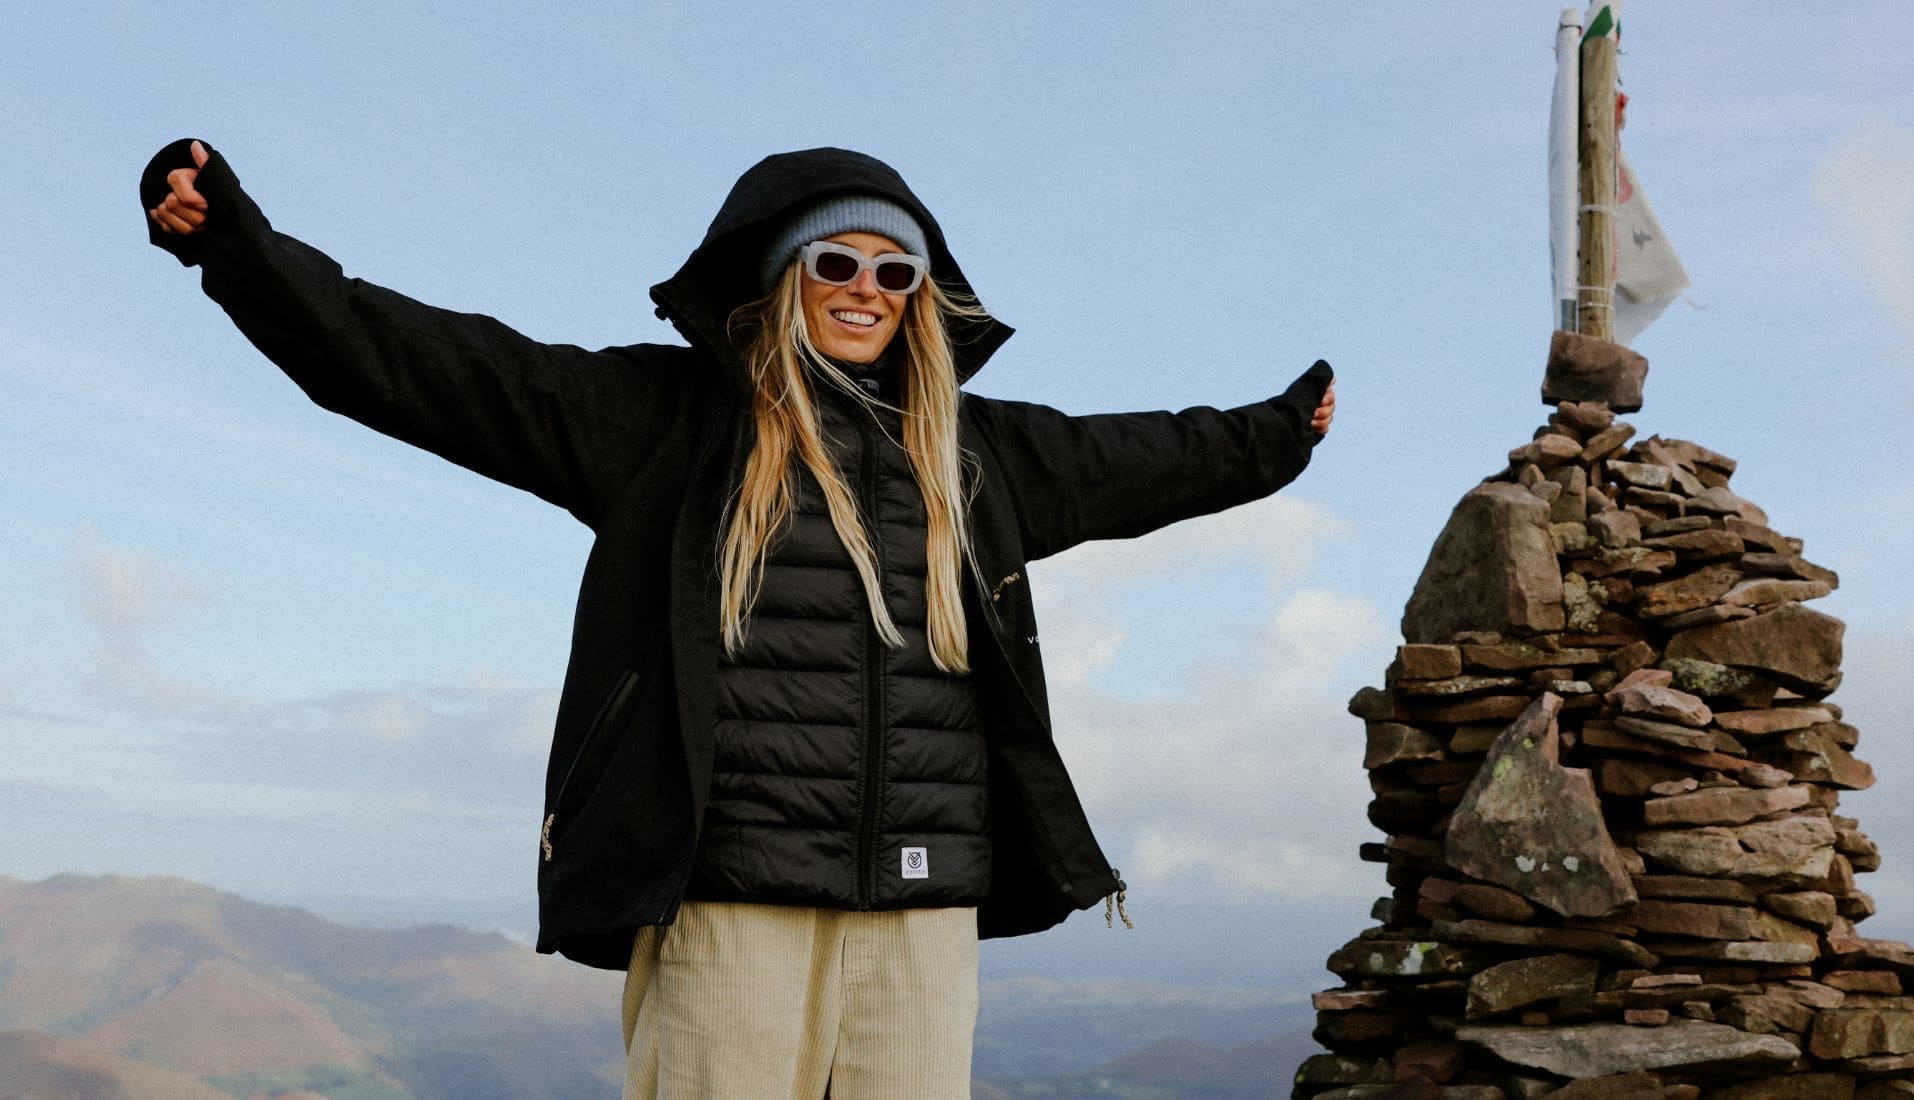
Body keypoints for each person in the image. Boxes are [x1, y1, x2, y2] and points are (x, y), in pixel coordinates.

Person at [142, 137, 1336, 1098]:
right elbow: (423, 364)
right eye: (837, 261)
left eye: (896, 272)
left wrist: (1281, 433)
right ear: (779, 276)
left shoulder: (976, 455)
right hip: (731, 904)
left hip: (922, 914)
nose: (866, 288)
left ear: (921, 299)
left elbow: (1150, 456)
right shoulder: (665, 420)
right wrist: (238, 249)